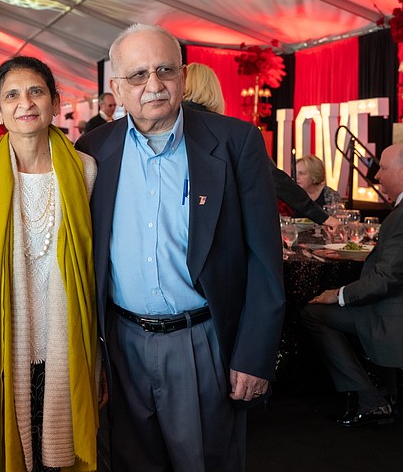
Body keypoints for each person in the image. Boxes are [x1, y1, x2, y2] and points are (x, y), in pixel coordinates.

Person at [76, 24, 284, 471]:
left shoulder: (235, 143)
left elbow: (266, 261)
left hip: (202, 343)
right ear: (116, 87)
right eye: (137, 76)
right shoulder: (92, 150)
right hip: (121, 346)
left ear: (184, 76)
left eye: (164, 70)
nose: (153, 85)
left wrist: (253, 355)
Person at [0, 56, 101, 471]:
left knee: (60, 456)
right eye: (11, 95)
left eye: (36, 91)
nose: (25, 103)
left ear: (54, 101)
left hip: (65, 355)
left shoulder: (85, 172)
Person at [302, 143, 403, 427]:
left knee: (313, 314)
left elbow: (386, 279)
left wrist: (339, 295)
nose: (378, 176)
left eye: (383, 168)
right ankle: (383, 393)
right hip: (388, 303)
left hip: (390, 313)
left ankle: (370, 399)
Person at [182, 63, 339, 230]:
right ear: (213, 90)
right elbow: (274, 178)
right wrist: (321, 216)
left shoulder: (164, 128)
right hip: (216, 227)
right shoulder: (234, 131)